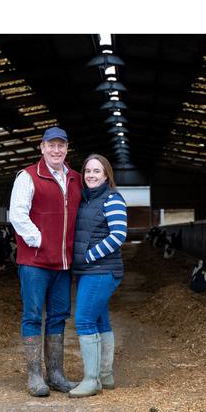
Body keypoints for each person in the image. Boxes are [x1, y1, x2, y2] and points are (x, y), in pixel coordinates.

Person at [9, 126, 82, 397]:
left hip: (63, 263)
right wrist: (39, 240)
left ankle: (56, 373)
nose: (56, 150)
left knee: (59, 316)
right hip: (35, 262)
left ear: (67, 149)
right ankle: (35, 376)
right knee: (32, 315)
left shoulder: (75, 178)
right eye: (51, 145)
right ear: (41, 147)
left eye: (61, 145)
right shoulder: (28, 177)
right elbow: (17, 214)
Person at [68, 154, 128, 398]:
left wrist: (88, 256)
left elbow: (118, 235)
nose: (91, 175)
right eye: (88, 171)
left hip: (101, 270)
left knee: (83, 320)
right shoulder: (86, 199)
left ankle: (91, 380)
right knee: (100, 321)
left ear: (106, 175)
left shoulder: (112, 198)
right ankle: (105, 375)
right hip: (89, 271)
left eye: (97, 171)